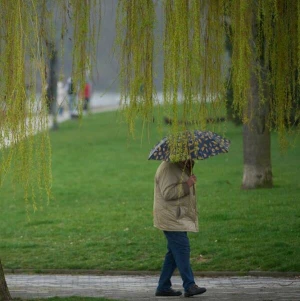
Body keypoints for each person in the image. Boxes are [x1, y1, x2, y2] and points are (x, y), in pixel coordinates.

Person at [153, 159, 207, 297]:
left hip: (177, 215)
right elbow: (168, 193)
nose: (191, 155)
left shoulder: (180, 166)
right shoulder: (169, 167)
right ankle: (190, 286)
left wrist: (188, 167)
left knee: (173, 253)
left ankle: (163, 287)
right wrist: (187, 184)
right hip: (171, 217)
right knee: (182, 249)